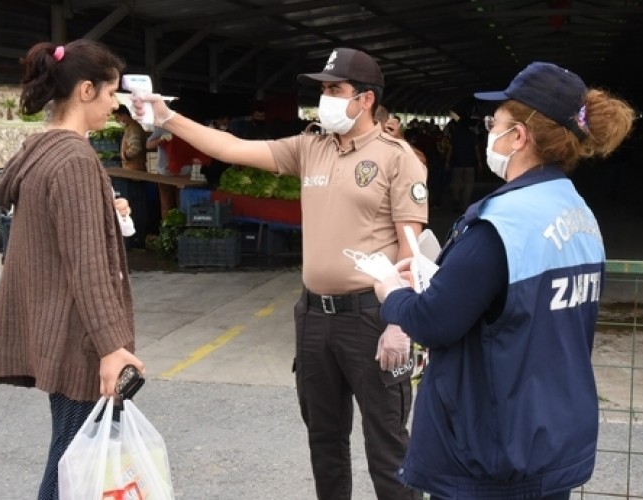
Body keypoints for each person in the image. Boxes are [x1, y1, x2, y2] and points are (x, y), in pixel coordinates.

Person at [135, 47, 427, 500]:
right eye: (323, 89)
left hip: (371, 318)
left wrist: (399, 323)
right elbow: (233, 148)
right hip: (314, 317)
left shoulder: (396, 157)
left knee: (387, 449)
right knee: (324, 442)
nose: (324, 98)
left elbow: (412, 249)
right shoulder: (309, 147)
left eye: (335, 89)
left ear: (366, 99)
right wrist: (167, 117)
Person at [372, 61, 635, 499]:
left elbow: (434, 321)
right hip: (549, 437)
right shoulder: (579, 215)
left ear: (520, 136)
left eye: (498, 121)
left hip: (490, 450)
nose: (490, 128)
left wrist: (392, 294)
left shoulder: (501, 225)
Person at [0, 39, 146, 500]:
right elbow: (87, 267)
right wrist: (113, 347)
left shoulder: (43, 151)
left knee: (74, 460)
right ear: (87, 90)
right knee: (75, 467)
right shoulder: (74, 160)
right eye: (112, 94)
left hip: (62, 333)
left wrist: (104, 212)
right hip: (81, 343)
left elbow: (61, 240)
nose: (115, 106)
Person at [444, 111, 481, 212]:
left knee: (456, 183)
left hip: (457, 162)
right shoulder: (472, 135)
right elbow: (476, 150)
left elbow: (450, 150)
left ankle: (456, 200)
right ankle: (465, 204)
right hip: (470, 163)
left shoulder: (455, 135)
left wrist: (447, 162)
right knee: (468, 184)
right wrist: (479, 162)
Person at [147, 124, 177, 216]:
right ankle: (166, 228)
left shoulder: (187, 128)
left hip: (184, 173)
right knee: (166, 205)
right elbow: (148, 145)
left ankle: (181, 229)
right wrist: (161, 138)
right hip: (164, 172)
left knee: (182, 204)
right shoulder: (163, 128)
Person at [112, 104, 147, 171]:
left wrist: (124, 156)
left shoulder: (134, 128)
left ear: (124, 115)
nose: (116, 121)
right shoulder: (129, 127)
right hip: (131, 169)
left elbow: (136, 148)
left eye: (117, 117)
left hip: (135, 170)